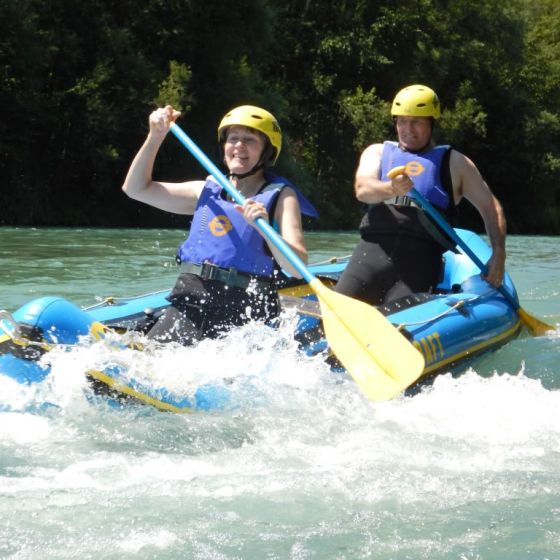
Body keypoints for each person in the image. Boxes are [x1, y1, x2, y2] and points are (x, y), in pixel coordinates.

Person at [122, 104, 317, 345]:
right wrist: (155, 136)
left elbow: (298, 267)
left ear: (267, 151)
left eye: (250, 140)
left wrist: (263, 228)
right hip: (191, 302)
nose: (239, 146)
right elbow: (135, 189)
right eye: (233, 138)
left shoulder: (281, 196)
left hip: (243, 312)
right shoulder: (205, 189)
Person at [335, 84, 507, 306]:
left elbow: (491, 207)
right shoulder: (377, 152)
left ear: (431, 123)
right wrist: (391, 189)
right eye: (402, 121)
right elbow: (362, 189)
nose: (408, 129)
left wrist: (499, 253)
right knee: (338, 311)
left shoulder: (455, 163)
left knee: (396, 323)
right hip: (370, 254)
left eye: (416, 122)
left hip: (420, 263)